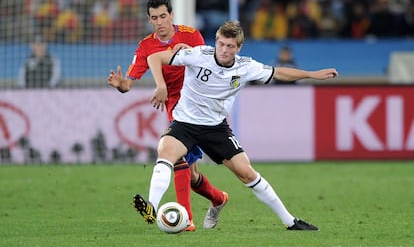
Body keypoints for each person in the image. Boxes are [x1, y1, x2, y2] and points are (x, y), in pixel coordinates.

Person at [135, 20, 338, 231]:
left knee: (247, 173)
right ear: (216, 42)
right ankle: (151, 208)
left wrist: (312, 74)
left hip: (216, 128)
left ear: (238, 48)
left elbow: (278, 72)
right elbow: (155, 57)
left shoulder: (245, 67)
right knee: (165, 152)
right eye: (221, 44)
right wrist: (161, 86)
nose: (224, 50)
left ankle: (291, 222)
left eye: (230, 46)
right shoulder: (198, 55)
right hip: (185, 123)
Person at [107, 0, 227, 231]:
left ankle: (187, 220)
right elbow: (129, 84)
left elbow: (208, 67)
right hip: (175, 105)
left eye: (163, 16)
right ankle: (218, 199)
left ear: (171, 15)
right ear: (149, 19)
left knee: (179, 159)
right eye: (154, 18)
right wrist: (121, 84)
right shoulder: (145, 46)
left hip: (198, 104)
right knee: (189, 174)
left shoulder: (191, 35)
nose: (160, 22)